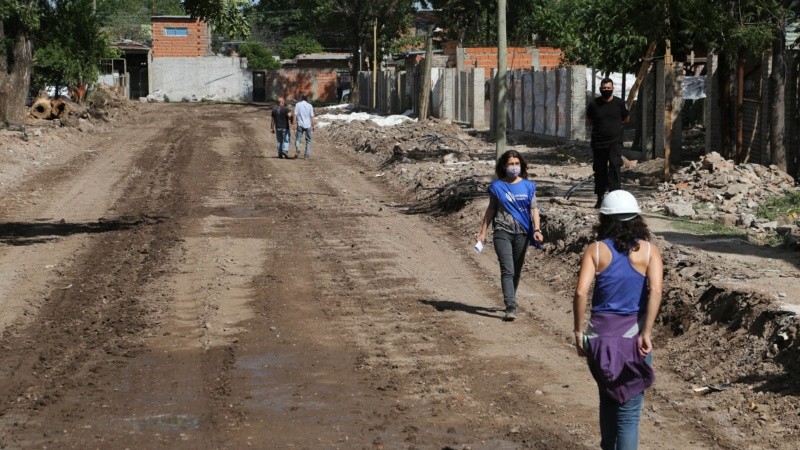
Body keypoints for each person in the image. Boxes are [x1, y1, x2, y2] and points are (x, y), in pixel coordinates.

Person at [573, 190, 663, 450]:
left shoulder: (596, 250)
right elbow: (656, 291)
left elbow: (581, 292)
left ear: (605, 219)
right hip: (633, 340)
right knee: (629, 416)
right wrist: (646, 332)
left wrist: (579, 333)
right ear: (637, 218)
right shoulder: (648, 252)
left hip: (600, 339)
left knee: (608, 400)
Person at [476, 150, 544, 321]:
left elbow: (534, 208)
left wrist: (537, 229)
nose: (514, 167)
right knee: (508, 269)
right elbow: (491, 209)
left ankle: (510, 298)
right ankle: (510, 306)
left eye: (516, 164)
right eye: (510, 164)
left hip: (522, 232)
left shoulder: (528, 186)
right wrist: (483, 232)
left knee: (516, 270)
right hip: (502, 231)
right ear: (504, 166)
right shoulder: (497, 187)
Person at [587, 78, 630, 208]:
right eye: (604, 88)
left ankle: (614, 197)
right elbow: (589, 120)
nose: (606, 90)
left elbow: (626, 119)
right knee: (599, 170)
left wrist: (614, 128)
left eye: (608, 88)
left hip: (614, 142)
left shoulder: (619, 103)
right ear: (600, 88)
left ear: (613, 88)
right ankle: (600, 197)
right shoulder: (594, 104)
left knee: (615, 167)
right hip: (598, 143)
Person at [293, 94, 316, 159]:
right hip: (308, 125)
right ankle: (306, 155)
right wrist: (313, 125)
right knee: (308, 140)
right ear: (307, 99)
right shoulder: (310, 106)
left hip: (300, 124)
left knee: (298, 139)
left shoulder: (297, 105)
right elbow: (312, 117)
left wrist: (293, 124)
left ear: (301, 98)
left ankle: (298, 148)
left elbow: (295, 115)